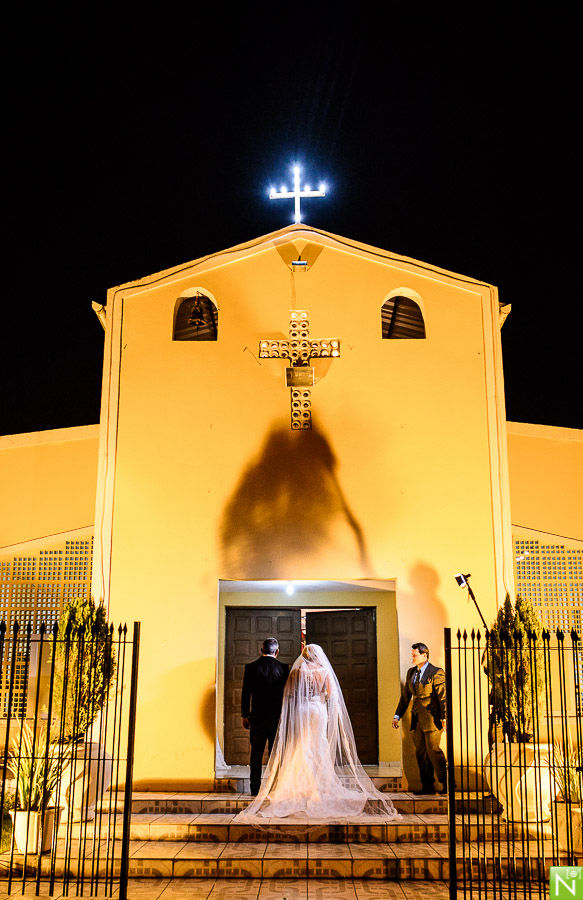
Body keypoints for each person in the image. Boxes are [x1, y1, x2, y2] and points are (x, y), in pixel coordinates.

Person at [237, 643, 400, 820]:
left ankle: (298, 784)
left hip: (302, 710)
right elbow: (331, 695)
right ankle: (319, 784)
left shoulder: (297, 672)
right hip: (318, 710)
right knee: (318, 743)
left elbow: (289, 694)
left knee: (301, 745)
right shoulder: (324, 672)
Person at [392, 642, 448, 794]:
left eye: (415, 655)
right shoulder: (411, 673)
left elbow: (443, 697)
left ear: (425, 655)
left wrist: (445, 718)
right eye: (412, 655)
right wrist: (397, 716)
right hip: (417, 721)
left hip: (432, 720)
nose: (413, 657)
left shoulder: (436, 672)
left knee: (434, 751)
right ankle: (427, 786)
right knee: (420, 753)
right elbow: (405, 698)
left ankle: (447, 783)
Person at [241, 637, 289, 796]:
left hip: (257, 718)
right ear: (277, 651)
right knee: (275, 753)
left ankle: (255, 788)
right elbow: (287, 695)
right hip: (276, 718)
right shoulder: (283, 668)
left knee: (256, 753)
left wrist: (245, 715)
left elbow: (246, 693)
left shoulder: (251, 667)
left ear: (262, 651)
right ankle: (275, 787)